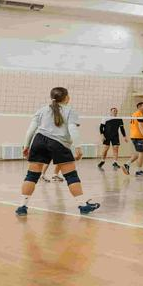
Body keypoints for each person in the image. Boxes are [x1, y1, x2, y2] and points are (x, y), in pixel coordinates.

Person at [16, 87, 100, 216]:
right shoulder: (70, 111)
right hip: (58, 143)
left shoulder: (42, 110)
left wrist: (26, 146)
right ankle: (83, 206)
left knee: (31, 176)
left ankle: (22, 207)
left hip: (39, 141)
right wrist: (78, 147)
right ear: (66, 97)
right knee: (71, 176)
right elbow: (73, 129)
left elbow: (31, 130)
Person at [98, 107, 128, 173]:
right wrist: (102, 135)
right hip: (107, 135)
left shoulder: (119, 119)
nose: (115, 112)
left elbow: (122, 128)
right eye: (114, 110)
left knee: (116, 148)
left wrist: (124, 136)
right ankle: (102, 160)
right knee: (106, 149)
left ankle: (115, 162)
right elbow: (101, 127)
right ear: (111, 111)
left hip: (115, 136)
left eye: (116, 111)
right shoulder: (106, 118)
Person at [124, 102, 143, 176]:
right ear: (139, 107)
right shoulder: (139, 114)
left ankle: (127, 164)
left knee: (139, 153)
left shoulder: (134, 114)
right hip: (138, 136)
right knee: (142, 152)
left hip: (134, 136)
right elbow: (141, 127)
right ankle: (139, 171)